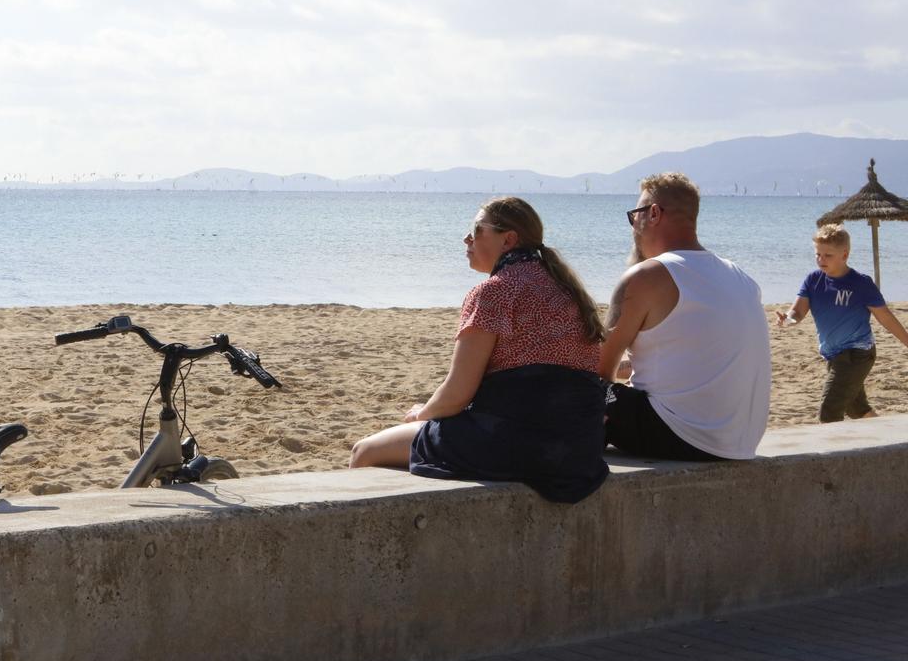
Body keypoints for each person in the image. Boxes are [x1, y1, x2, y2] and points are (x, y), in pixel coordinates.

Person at [350, 197, 609, 502]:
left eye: (477, 230)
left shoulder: (494, 292)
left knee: (364, 451)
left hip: (517, 443)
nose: (467, 238)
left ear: (508, 239)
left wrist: (423, 414)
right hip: (577, 450)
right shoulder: (567, 292)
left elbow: (457, 395)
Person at [598, 172, 770, 460]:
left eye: (634, 216)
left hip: (677, 436)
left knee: (574, 382)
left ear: (653, 214)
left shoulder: (646, 276)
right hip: (738, 443)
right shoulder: (741, 277)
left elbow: (597, 368)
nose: (633, 227)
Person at [776, 223, 908, 422]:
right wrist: (789, 319)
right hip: (833, 355)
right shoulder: (813, 280)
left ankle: (832, 451)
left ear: (844, 255)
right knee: (857, 410)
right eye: (818, 254)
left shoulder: (861, 283)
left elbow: (885, 317)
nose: (821, 260)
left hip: (858, 353)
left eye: (828, 255)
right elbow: (799, 310)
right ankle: (890, 437)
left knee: (829, 411)